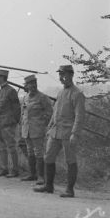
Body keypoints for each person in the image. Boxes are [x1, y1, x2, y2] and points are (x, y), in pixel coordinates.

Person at [35, 65, 85, 197]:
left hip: (68, 133)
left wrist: (75, 133)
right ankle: (48, 186)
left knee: (70, 160)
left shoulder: (77, 94)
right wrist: (49, 127)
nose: (61, 77)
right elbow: (55, 113)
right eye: (60, 74)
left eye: (63, 74)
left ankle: (70, 190)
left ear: (71, 75)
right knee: (48, 158)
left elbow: (79, 116)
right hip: (55, 132)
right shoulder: (60, 92)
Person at [19, 74, 53, 183]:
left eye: (34, 84)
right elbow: (23, 113)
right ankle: (32, 174)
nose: (32, 86)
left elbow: (50, 113)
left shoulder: (43, 97)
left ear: (36, 84)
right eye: (29, 84)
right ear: (26, 86)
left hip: (37, 129)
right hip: (26, 129)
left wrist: (43, 123)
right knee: (30, 152)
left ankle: (41, 177)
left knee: (38, 152)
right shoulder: (25, 97)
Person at [0, 68, 21, 177]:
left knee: (11, 147)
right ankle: (4, 168)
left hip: (8, 124)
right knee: (1, 147)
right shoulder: (1, 90)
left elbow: (17, 108)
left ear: (2, 77)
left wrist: (14, 121)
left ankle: (15, 170)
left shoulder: (11, 91)